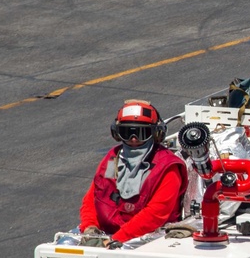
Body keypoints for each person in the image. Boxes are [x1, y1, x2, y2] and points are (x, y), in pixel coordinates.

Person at [79, 100, 187, 248]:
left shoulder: (167, 167)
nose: (134, 139)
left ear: (155, 133)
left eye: (142, 133)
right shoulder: (114, 159)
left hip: (149, 239)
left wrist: (116, 239)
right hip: (109, 236)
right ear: (117, 133)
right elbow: (95, 196)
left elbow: (156, 214)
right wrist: (89, 227)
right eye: (127, 132)